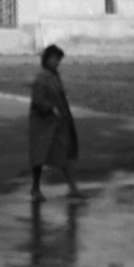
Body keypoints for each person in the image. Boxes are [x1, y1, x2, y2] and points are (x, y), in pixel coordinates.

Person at [28, 44, 81, 201]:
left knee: (62, 152)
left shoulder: (54, 76)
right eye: (54, 59)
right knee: (39, 156)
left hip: (57, 122)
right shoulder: (42, 78)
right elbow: (38, 100)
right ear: (47, 59)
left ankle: (72, 186)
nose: (57, 62)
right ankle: (36, 188)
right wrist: (51, 108)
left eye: (58, 59)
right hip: (42, 123)